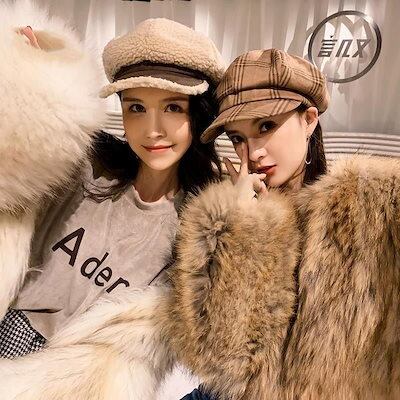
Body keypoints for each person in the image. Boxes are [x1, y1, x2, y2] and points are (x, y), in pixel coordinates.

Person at [2, 50, 399, 399]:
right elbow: (220, 357)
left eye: (266, 127)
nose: (253, 152)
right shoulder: (233, 215)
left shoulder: (375, 203)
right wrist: (239, 225)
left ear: (309, 119)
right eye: (238, 138)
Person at [0, 11, 224, 364]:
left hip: (82, 372)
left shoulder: (198, 225)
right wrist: (24, 73)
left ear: (197, 115)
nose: (153, 130)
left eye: (172, 107)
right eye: (136, 107)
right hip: (11, 331)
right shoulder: (85, 167)